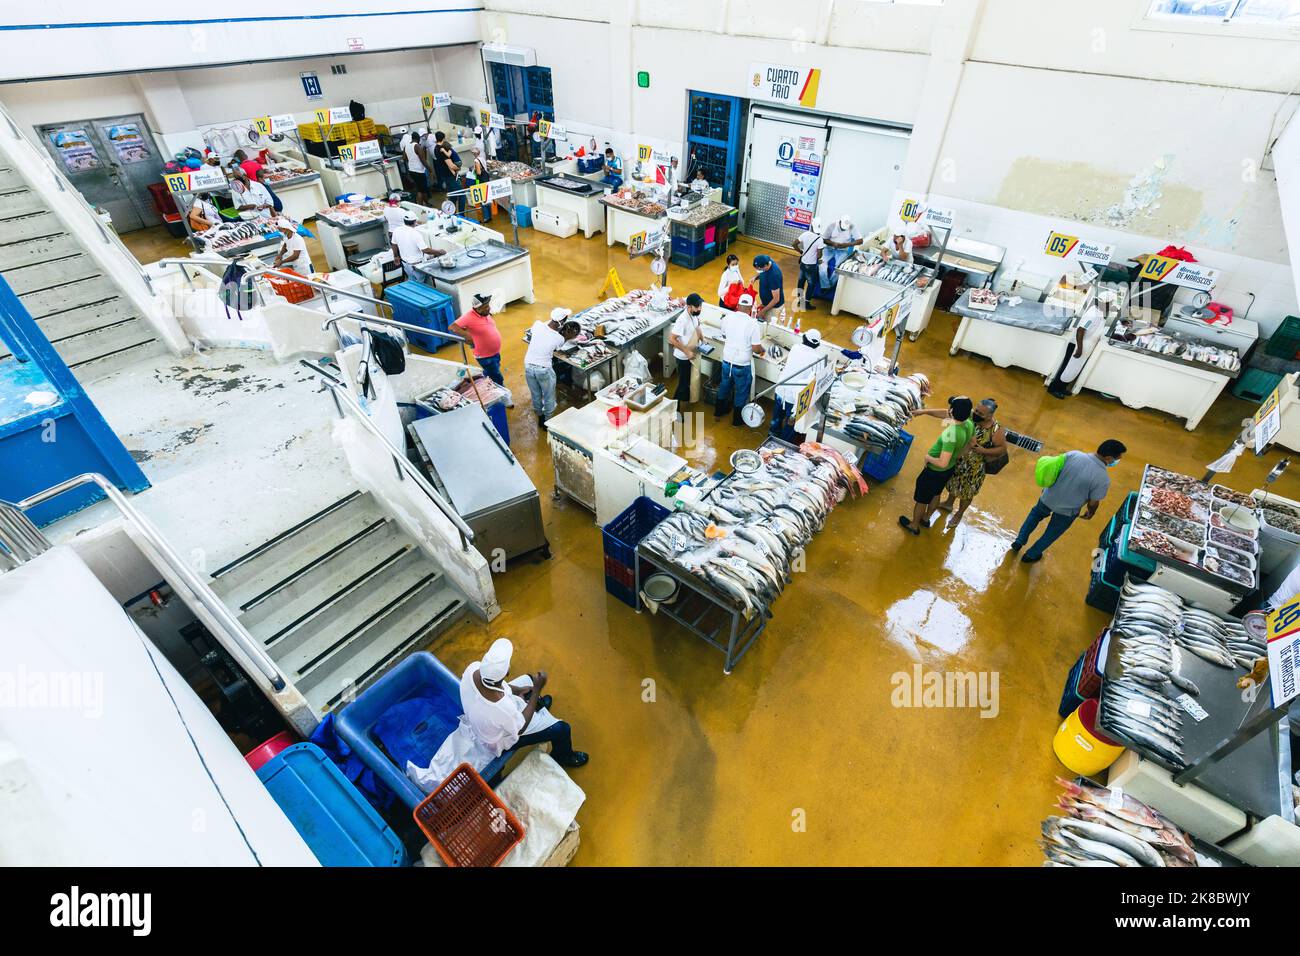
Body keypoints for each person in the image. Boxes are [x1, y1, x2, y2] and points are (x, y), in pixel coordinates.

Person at [460, 638, 588, 769]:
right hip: (501, 738)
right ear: (507, 672)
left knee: (529, 679)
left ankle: (537, 706)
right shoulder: (502, 708)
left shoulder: (473, 669)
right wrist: (536, 690)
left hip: (485, 718)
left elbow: (499, 686)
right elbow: (520, 726)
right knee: (563, 729)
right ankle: (563, 756)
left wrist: (520, 690)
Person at [1012, 439, 1126, 563]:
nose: (1117, 461)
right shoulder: (1103, 479)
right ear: (1109, 458)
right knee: (1052, 532)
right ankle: (1031, 555)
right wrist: (1091, 512)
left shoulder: (1074, 454)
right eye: (1117, 458)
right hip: (1067, 511)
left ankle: (1019, 541)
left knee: (1034, 516)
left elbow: (1054, 469)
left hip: (1048, 497)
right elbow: (1093, 502)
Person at [899, 396, 975, 536]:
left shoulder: (950, 433)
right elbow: (972, 443)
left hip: (935, 470)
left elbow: (942, 462)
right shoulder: (968, 423)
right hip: (948, 470)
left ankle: (914, 526)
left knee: (922, 499)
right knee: (935, 494)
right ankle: (926, 518)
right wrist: (924, 411)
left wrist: (928, 458)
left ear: (952, 411)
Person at [937, 398, 1007, 528]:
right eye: (976, 410)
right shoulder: (969, 416)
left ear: (990, 415)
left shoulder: (996, 429)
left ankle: (959, 513)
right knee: (954, 483)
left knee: (967, 492)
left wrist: (983, 450)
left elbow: (1002, 449)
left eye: (981, 414)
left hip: (974, 468)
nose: (976, 414)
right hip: (959, 459)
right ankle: (948, 503)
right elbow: (947, 415)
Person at [714, 293, 764, 426]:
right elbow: (755, 348)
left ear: (738, 305)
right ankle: (737, 421)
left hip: (727, 360)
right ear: (750, 308)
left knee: (724, 386)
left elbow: (724, 334)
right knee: (741, 392)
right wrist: (762, 349)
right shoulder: (753, 324)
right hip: (742, 365)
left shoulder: (728, 318)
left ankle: (718, 412)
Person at [1047, 295, 1111, 399]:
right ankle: (1053, 388)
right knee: (1066, 368)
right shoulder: (1093, 313)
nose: (1110, 306)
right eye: (1109, 304)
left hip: (1084, 346)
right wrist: (1079, 348)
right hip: (1077, 345)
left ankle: (1062, 388)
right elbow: (1081, 330)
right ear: (1103, 303)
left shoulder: (1099, 312)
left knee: (1072, 369)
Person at [771, 329, 824, 441]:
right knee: (791, 424)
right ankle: (783, 444)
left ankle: (772, 435)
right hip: (794, 398)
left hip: (781, 389)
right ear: (817, 345)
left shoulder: (795, 348)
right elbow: (817, 379)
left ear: (804, 338)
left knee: (777, 417)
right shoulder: (818, 358)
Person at [524, 307, 573, 428]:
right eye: (565, 320)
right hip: (543, 369)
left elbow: (546, 328)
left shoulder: (537, 324)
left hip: (528, 365)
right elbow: (560, 343)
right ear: (561, 322)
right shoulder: (559, 338)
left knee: (535, 393)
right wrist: (568, 336)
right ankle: (547, 419)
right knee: (549, 395)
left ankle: (539, 414)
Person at [449, 292, 505, 386]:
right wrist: (467, 335)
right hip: (485, 357)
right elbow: (452, 327)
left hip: (495, 353)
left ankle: (486, 383)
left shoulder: (485, 313)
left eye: (488, 305)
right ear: (478, 308)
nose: (489, 308)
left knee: (491, 373)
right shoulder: (468, 317)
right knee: (497, 378)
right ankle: (501, 394)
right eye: (486, 307)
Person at [669, 292, 704, 407]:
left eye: (700, 306)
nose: (700, 308)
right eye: (697, 306)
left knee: (688, 380)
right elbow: (672, 339)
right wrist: (686, 351)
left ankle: (684, 397)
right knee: (682, 384)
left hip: (690, 354)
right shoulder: (682, 320)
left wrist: (703, 339)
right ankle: (675, 407)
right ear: (689, 307)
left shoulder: (694, 315)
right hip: (682, 357)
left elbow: (697, 326)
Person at [389, 213, 444, 282]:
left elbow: (393, 244)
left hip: (406, 264)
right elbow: (425, 250)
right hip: (417, 265)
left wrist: (396, 256)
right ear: (415, 222)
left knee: (412, 282)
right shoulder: (415, 233)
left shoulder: (397, 230)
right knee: (422, 285)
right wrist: (439, 252)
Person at [792, 218, 824, 311]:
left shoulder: (805, 234)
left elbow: (793, 244)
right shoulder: (820, 240)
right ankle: (806, 303)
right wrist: (819, 256)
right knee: (811, 284)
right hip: (811, 266)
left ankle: (800, 301)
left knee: (801, 282)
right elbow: (819, 255)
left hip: (803, 263)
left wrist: (800, 251)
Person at [752, 254, 785, 319]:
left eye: (759, 269)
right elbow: (761, 272)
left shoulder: (774, 275)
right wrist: (755, 277)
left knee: (767, 326)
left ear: (766, 266)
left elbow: (776, 299)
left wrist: (762, 312)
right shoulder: (767, 261)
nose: (758, 270)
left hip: (774, 308)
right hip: (766, 303)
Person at [403, 128, 429, 205]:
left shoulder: (406, 146)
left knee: (418, 189)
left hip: (411, 170)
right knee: (422, 190)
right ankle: (423, 205)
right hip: (419, 171)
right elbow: (423, 160)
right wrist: (430, 170)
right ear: (417, 138)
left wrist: (411, 159)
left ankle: (423, 205)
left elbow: (404, 158)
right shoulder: (417, 146)